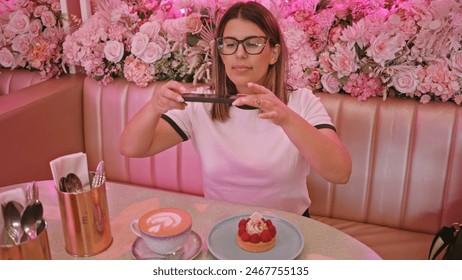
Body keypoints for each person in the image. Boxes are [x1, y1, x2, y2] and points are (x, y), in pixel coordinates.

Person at [120, 2, 352, 216]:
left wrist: (286, 118)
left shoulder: (302, 102)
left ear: (273, 53)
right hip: (221, 226)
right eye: (230, 44)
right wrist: (154, 107)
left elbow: (340, 173)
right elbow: (131, 148)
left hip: (289, 227)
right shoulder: (201, 103)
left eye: (252, 43)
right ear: (221, 53)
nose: (239, 54)